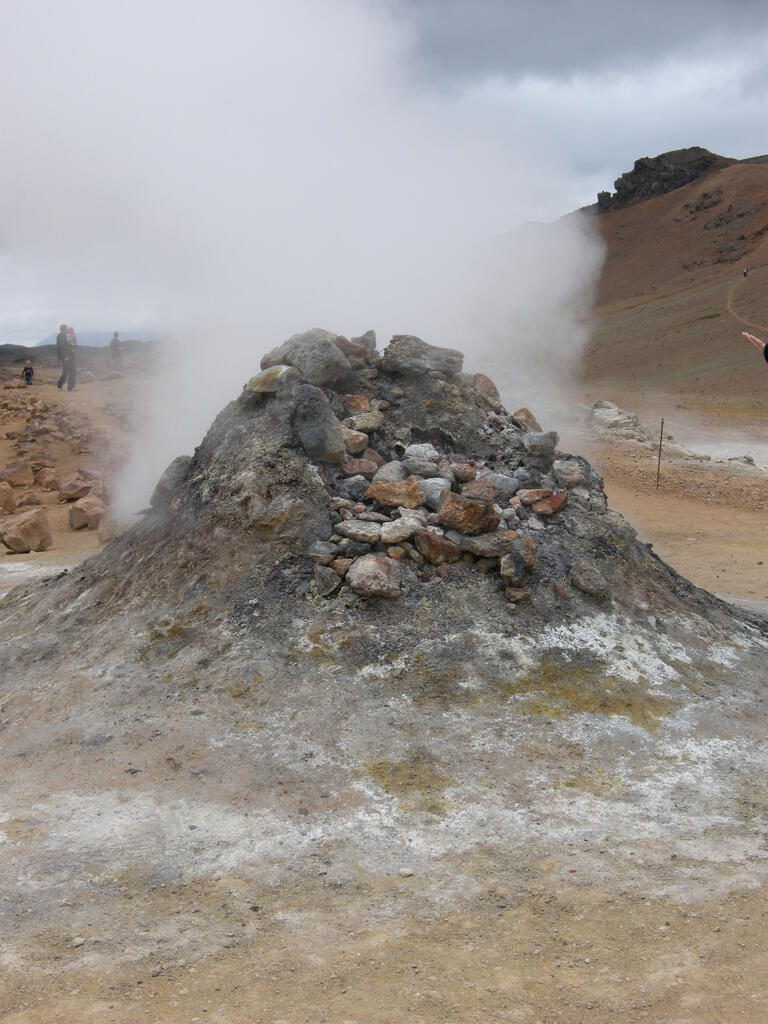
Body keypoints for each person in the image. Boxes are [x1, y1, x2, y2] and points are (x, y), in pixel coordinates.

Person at [57, 324, 76, 391]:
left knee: (73, 371)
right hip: (65, 357)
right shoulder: (60, 336)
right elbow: (61, 347)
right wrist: (65, 356)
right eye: (66, 328)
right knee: (66, 372)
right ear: (63, 329)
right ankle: (59, 385)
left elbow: (70, 344)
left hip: (70, 356)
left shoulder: (67, 335)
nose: (67, 330)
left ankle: (71, 387)